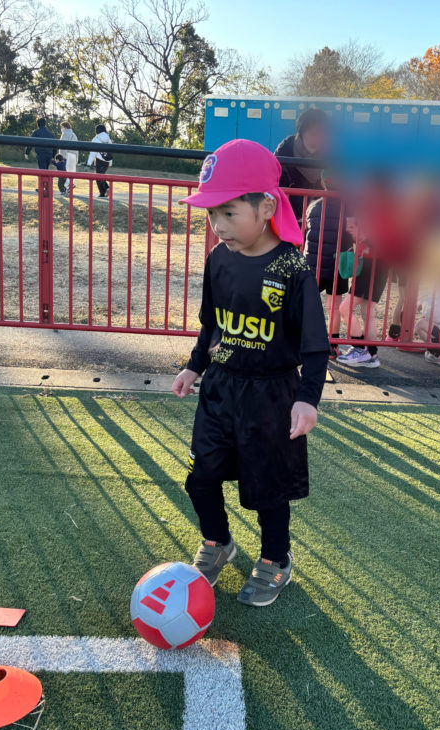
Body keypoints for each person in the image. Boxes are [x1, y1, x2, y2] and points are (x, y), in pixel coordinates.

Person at [171, 139, 328, 607]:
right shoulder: (219, 259)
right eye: (211, 214)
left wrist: (307, 398)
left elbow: (315, 346)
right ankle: (218, 542)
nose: (219, 225)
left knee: (266, 490)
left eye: (229, 212)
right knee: (200, 478)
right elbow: (212, 325)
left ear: (266, 207)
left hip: (272, 396)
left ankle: (276, 559)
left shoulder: (293, 269)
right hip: (220, 390)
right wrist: (194, 366)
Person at [303, 171, 353, 355]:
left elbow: (306, 234)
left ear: (323, 184)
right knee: (334, 306)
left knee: (308, 305)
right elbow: (352, 235)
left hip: (313, 264)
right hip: (337, 264)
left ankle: (307, 342)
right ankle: (332, 345)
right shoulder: (348, 207)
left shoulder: (313, 206)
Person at [335, 221, 389, 369]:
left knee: (345, 308)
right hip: (375, 270)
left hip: (371, 271)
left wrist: (364, 237)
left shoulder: (378, 221)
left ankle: (359, 349)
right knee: (368, 313)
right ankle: (372, 355)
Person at [274, 108, 329, 220]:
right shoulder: (285, 150)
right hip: (288, 217)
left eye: (322, 134)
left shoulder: (331, 155)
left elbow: (337, 188)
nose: (317, 138)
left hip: (317, 219)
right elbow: (274, 184)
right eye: (313, 133)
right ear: (301, 132)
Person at [87, 123, 112, 197]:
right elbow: (111, 152)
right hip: (107, 161)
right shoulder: (109, 139)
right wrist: (110, 163)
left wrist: (89, 163)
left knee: (98, 177)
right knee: (101, 176)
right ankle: (104, 192)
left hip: (99, 160)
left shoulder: (96, 139)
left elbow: (93, 152)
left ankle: (105, 190)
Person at [58, 121, 79, 193]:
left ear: (65, 127)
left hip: (67, 155)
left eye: (62, 127)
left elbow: (62, 146)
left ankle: (67, 186)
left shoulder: (64, 134)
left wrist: (61, 157)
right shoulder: (74, 135)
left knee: (66, 172)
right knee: (72, 172)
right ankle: (71, 184)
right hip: (74, 155)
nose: (61, 129)